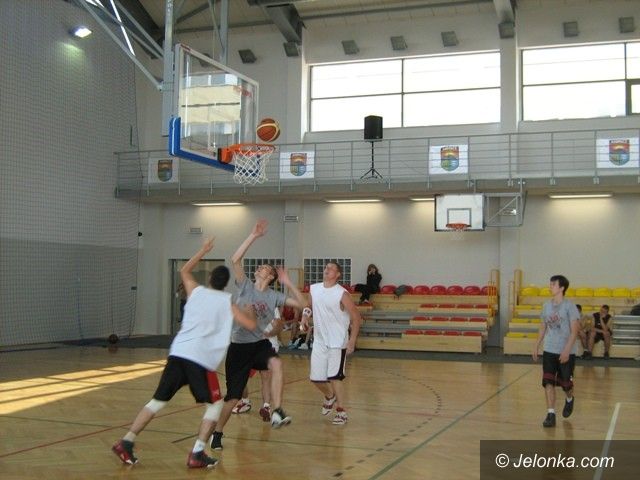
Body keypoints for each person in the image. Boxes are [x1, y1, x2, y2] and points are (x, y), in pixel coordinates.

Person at [112, 238, 256, 468]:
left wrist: (203, 250)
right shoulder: (228, 302)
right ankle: (197, 453)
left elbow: (184, 270)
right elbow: (250, 325)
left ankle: (126, 441)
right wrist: (250, 309)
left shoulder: (195, 291)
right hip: (200, 360)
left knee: (157, 401)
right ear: (226, 284)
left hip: (178, 354)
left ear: (210, 279)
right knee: (215, 405)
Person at [210, 219, 307, 450]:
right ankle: (217, 432)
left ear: (271, 276)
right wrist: (253, 235)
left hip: (259, 343)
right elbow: (235, 259)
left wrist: (289, 282)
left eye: (265, 267)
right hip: (239, 347)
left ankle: (277, 410)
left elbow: (303, 303)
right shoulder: (245, 286)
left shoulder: (274, 295)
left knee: (276, 364)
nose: (261, 268)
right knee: (234, 397)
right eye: (260, 266)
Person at [300, 261, 362, 425]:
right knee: (315, 378)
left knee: (335, 378)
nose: (327, 269)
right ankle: (330, 396)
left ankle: (341, 412)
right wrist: (305, 317)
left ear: (338, 274)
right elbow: (308, 306)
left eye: (331, 268)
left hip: (337, 342)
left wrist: (352, 341)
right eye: (326, 267)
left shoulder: (342, 294)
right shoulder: (314, 289)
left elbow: (356, 318)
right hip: (320, 341)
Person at [532, 274, 580, 428]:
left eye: (553, 284)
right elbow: (543, 326)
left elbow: (575, 331)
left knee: (566, 384)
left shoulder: (570, 306)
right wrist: (537, 344)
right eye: (550, 284)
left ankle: (569, 399)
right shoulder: (546, 306)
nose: (550, 286)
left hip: (566, 351)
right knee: (548, 381)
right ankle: (550, 414)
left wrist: (566, 350)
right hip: (549, 349)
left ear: (562, 288)